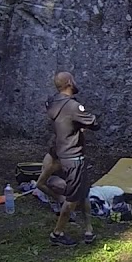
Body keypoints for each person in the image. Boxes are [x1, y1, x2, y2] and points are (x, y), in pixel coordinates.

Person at [38, 71, 100, 246]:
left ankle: (87, 228)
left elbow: (63, 120)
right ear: (69, 83)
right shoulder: (73, 107)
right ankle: (57, 233)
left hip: (57, 150)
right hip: (73, 156)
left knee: (45, 183)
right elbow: (94, 123)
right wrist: (81, 122)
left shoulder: (52, 102)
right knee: (74, 198)